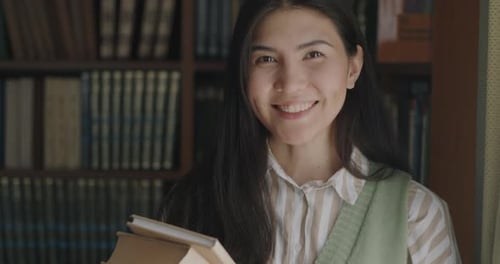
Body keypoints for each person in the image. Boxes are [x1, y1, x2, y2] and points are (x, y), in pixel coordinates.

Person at [159, 0, 461, 263]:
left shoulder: (415, 214)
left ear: (352, 68)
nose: (290, 83)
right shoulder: (194, 202)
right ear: (243, 73)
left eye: (314, 54)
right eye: (266, 59)